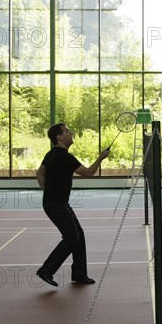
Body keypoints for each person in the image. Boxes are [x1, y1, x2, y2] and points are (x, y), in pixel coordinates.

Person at [36, 123, 110, 287]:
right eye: (67, 131)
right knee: (72, 237)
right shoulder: (65, 157)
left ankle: (79, 274)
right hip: (57, 205)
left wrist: (46, 189)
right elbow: (89, 173)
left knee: (79, 235)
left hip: (55, 203)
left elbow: (40, 173)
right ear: (59, 137)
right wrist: (100, 158)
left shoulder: (51, 154)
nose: (71, 133)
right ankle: (46, 270)